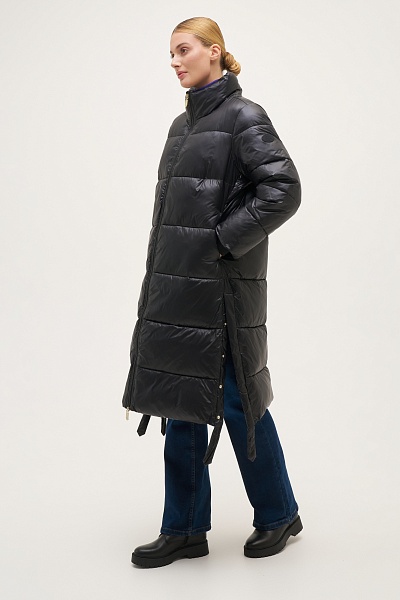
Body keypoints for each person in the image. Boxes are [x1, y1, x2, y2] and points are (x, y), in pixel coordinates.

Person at [122, 17, 302, 568]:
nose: (174, 62)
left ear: (215, 52)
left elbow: (283, 188)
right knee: (178, 401)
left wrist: (221, 241)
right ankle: (183, 529)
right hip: (175, 290)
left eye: (184, 50)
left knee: (238, 401)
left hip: (221, 292)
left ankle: (279, 514)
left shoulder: (245, 116)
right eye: (171, 53)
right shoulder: (181, 126)